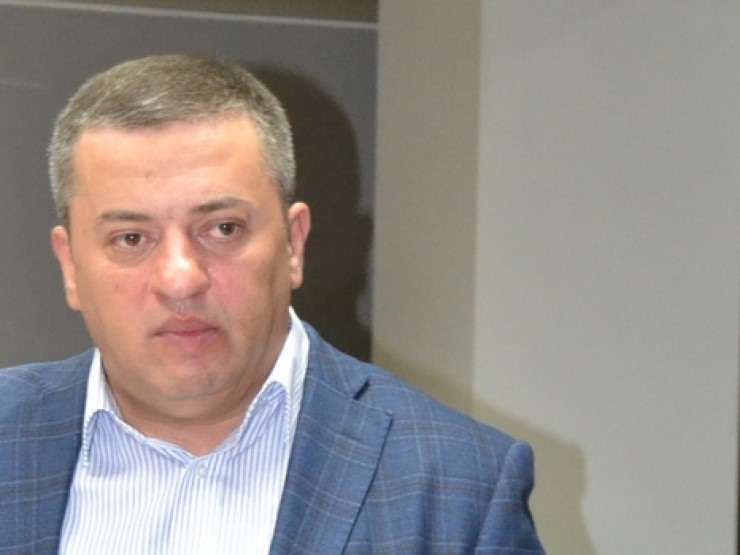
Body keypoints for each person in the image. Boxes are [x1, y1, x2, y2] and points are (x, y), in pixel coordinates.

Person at [0, 54, 545, 554]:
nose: (181, 280)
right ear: (70, 265)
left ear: (293, 245)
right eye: (131, 238)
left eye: (223, 228)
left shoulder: (460, 487)